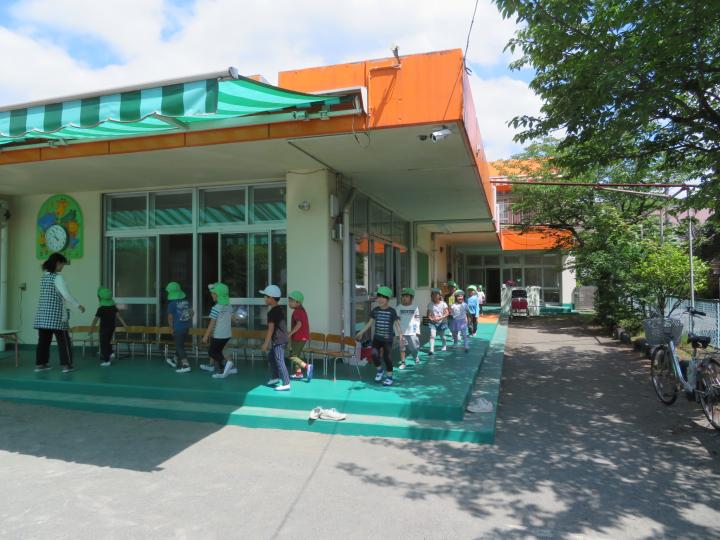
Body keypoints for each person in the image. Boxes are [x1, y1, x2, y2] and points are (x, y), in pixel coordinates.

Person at [33, 253, 86, 373]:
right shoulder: (58, 278)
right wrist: (78, 305)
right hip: (56, 315)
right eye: (62, 264)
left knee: (43, 341)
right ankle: (66, 366)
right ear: (57, 263)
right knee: (64, 341)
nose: (63, 267)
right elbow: (66, 294)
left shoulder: (44, 277)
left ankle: (40, 364)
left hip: (43, 316)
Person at [355, 286, 401, 386]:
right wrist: (361, 332)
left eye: (383, 297)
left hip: (387, 339)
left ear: (388, 299)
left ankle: (389, 377)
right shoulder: (375, 310)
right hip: (377, 338)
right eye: (379, 297)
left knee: (387, 357)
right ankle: (380, 370)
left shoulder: (392, 311)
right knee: (374, 354)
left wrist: (401, 335)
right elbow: (369, 323)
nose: (380, 299)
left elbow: (397, 324)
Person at [260, 284, 291, 391]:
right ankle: (275, 377)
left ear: (271, 298)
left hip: (279, 340)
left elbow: (271, 329)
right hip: (281, 339)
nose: (264, 298)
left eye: (266, 296)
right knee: (271, 357)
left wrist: (265, 343)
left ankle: (286, 383)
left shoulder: (272, 312)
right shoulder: (279, 309)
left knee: (279, 360)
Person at [201, 282, 235, 379]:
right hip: (227, 335)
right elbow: (234, 319)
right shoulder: (229, 306)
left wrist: (206, 336)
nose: (212, 295)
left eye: (213, 293)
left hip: (218, 335)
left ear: (218, 295)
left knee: (212, 352)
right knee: (218, 352)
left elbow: (211, 324)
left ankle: (226, 365)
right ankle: (223, 369)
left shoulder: (216, 308)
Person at [89, 286, 127, 367]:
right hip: (111, 327)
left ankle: (107, 360)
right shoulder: (113, 307)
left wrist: (91, 329)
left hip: (104, 328)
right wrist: (125, 325)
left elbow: (95, 320)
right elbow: (119, 316)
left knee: (103, 343)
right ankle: (111, 353)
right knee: (108, 341)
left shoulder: (101, 309)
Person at [165, 282, 193, 373]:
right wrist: (187, 320)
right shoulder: (186, 302)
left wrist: (171, 328)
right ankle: (174, 359)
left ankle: (186, 365)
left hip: (177, 327)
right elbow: (192, 313)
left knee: (179, 345)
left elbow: (170, 318)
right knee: (180, 344)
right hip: (186, 327)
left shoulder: (172, 304)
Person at [288, 290, 313, 382]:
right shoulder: (301, 310)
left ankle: (307, 366)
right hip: (302, 337)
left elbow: (299, 324)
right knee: (296, 355)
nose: (289, 303)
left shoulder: (297, 312)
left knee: (292, 356)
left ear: (298, 302)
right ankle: (298, 374)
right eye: (289, 301)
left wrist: (290, 333)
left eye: (291, 301)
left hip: (298, 337)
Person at [396, 287, 422, 369]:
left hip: (412, 332)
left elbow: (417, 320)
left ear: (412, 298)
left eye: (407, 296)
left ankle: (415, 357)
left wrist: (416, 331)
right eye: (403, 296)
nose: (404, 298)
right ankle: (403, 363)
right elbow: (397, 321)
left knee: (414, 348)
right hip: (402, 332)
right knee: (402, 348)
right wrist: (399, 333)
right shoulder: (399, 307)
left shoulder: (415, 307)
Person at [426, 287, 449, 355]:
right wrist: (430, 318)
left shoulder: (443, 304)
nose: (434, 296)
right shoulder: (430, 304)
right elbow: (428, 314)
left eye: (436, 294)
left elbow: (447, 313)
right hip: (433, 322)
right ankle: (431, 349)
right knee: (432, 335)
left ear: (440, 295)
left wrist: (441, 318)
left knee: (442, 336)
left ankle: (444, 345)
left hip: (442, 322)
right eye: (433, 294)